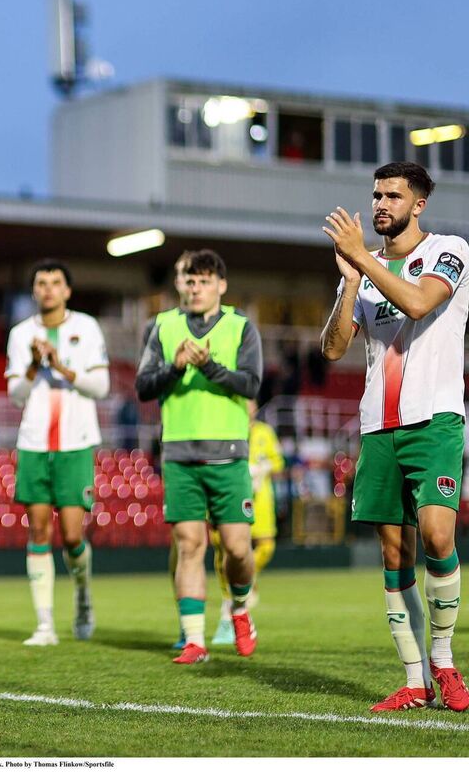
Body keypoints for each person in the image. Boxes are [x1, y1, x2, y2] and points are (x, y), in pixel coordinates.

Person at [320, 161, 469, 713]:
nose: (381, 204)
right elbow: (333, 349)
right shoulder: (361, 270)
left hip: (434, 419)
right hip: (378, 426)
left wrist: (360, 257)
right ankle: (414, 680)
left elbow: (417, 302)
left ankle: (445, 662)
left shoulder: (450, 250)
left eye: (393, 196)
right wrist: (354, 280)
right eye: (376, 195)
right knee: (393, 552)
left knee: (437, 536)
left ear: (419, 204)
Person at [136, 249, 262, 665]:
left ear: (221, 286)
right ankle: (194, 640)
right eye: (191, 280)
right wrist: (174, 367)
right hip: (179, 454)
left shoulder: (241, 327)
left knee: (237, 549)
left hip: (228, 455)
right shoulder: (163, 326)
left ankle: (240, 609)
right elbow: (144, 386)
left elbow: (250, 384)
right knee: (188, 545)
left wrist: (209, 367)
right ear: (180, 284)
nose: (196, 287)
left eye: (205, 280)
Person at [5, 260, 109, 646]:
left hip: (75, 442)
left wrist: (62, 367)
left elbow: (101, 387)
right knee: (38, 529)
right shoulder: (20, 334)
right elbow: (15, 395)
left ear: (67, 291)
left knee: (70, 534)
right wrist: (34, 364)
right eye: (41, 283)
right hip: (33, 443)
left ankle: (82, 597)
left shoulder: (86, 327)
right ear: (34, 291)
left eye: (55, 283)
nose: (48, 289)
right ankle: (45, 624)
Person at [211, 399, 283, 644]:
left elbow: (279, 460)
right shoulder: (226, 427)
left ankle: (246, 580)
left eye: (251, 401)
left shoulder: (265, 432)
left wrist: (263, 468)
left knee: (266, 546)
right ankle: (229, 601)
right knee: (224, 547)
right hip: (231, 493)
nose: (248, 405)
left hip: (261, 498)